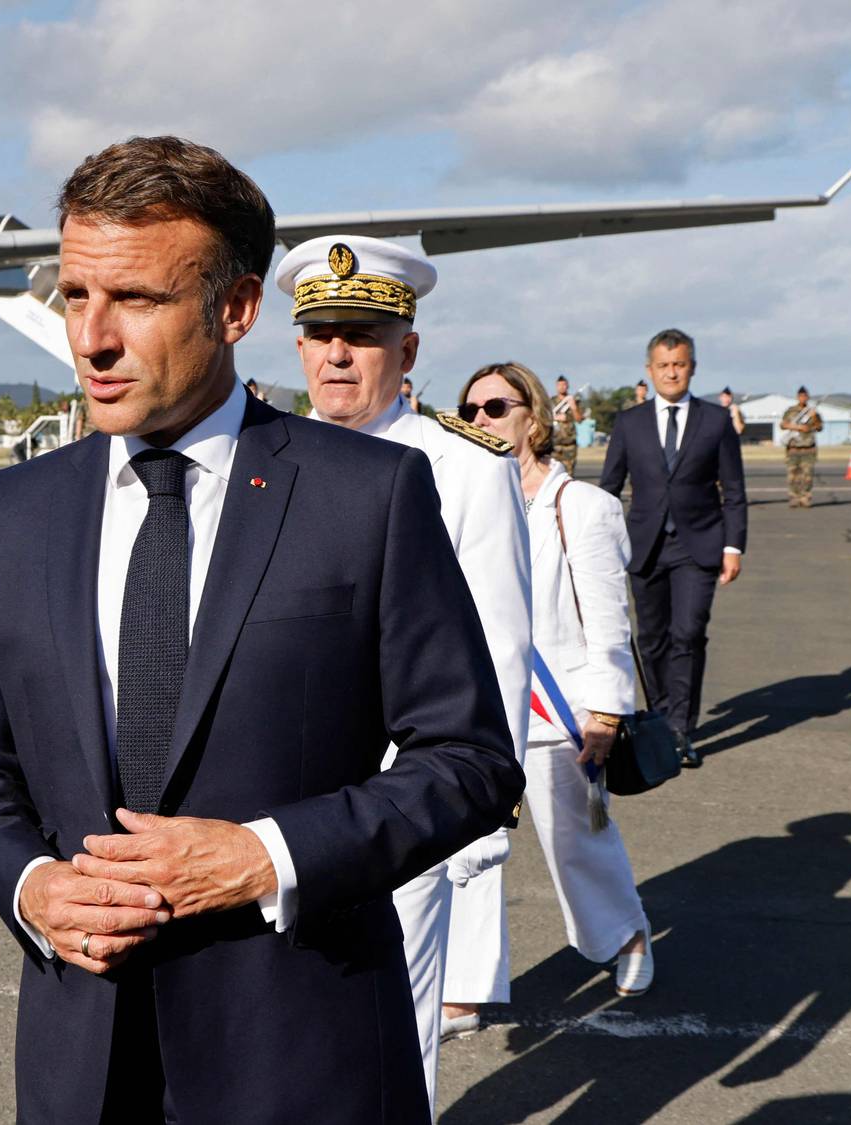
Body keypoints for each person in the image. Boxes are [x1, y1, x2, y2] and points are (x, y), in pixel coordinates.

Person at [0, 136, 523, 1124]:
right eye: (74, 296)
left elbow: (468, 761)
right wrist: (31, 886)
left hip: (301, 1049)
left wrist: (266, 857)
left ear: (236, 309)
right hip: (83, 1056)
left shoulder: (366, 495)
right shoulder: (10, 512)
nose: (91, 338)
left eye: (136, 299)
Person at [275, 234, 530, 1110]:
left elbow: (499, 639)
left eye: (363, 334)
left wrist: (481, 804)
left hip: (399, 792)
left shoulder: (465, 468)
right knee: (281, 1016)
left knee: (396, 1029)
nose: (339, 354)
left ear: (408, 350)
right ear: (300, 347)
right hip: (276, 789)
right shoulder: (265, 458)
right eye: (322, 334)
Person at [461, 360, 656, 996]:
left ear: (533, 418)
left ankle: (625, 934)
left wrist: (606, 710)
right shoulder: (457, 504)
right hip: (478, 709)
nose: (481, 419)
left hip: (556, 711)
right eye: (469, 410)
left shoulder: (584, 507)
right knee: (465, 851)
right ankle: (463, 987)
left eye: (496, 408)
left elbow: (608, 620)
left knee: (576, 841)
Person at [599, 328, 747, 768]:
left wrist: (734, 546)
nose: (671, 373)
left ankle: (681, 729)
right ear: (650, 370)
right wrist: (596, 542)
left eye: (679, 365)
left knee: (688, 634)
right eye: (663, 366)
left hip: (698, 545)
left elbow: (734, 490)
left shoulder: (715, 421)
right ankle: (661, 719)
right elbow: (609, 488)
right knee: (652, 638)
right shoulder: (630, 422)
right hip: (644, 546)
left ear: (692, 368)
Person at [781, 386, 824, 508]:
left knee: (807, 476)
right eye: (801, 396)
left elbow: (819, 427)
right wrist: (798, 427)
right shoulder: (790, 411)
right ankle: (794, 498)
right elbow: (783, 425)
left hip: (808, 448)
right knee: (792, 476)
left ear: (808, 397)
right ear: (797, 397)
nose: (803, 398)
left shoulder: (813, 412)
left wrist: (814, 417)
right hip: (793, 448)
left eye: (805, 396)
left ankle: (805, 498)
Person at [550, 375, 580, 474]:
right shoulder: (551, 402)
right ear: (556, 386)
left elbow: (579, 419)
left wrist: (573, 407)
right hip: (554, 443)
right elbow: (544, 418)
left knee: (569, 473)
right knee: (553, 473)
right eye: (559, 385)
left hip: (569, 444)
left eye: (564, 385)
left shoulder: (574, 400)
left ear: (568, 386)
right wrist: (556, 417)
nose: (562, 387)